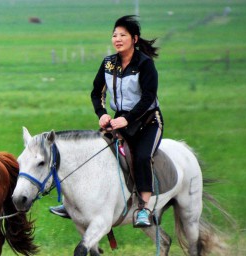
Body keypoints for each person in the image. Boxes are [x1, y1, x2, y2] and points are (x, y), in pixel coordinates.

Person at [52, 15, 163, 228]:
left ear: (135, 39)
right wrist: (102, 113)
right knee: (91, 152)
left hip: (148, 121)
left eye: (123, 35)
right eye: (114, 35)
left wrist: (127, 119)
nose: (117, 39)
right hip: (118, 121)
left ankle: (144, 208)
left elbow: (149, 97)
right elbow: (96, 92)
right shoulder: (108, 64)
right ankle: (72, 204)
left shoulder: (145, 64)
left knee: (141, 157)